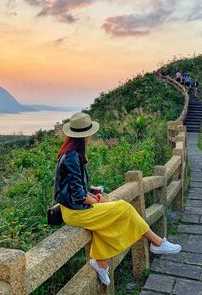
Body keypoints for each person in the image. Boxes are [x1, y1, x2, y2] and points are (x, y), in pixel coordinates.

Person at [54, 112, 181, 286]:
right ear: (85, 134)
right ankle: (157, 242)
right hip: (75, 212)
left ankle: (101, 262)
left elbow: (75, 188)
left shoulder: (70, 153)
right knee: (124, 207)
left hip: (74, 209)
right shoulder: (71, 157)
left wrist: (92, 195)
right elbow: (78, 196)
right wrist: (94, 200)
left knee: (105, 222)